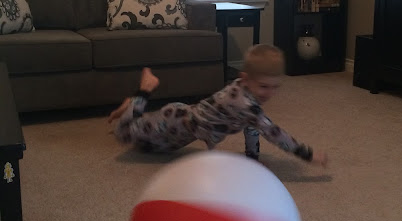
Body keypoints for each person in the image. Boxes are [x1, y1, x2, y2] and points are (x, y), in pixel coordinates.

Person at [108, 44, 327, 166]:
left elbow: (252, 127)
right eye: (263, 86)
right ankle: (144, 91)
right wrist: (306, 154)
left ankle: (133, 109)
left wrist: (252, 160)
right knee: (123, 135)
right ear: (245, 78)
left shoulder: (247, 97)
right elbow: (273, 132)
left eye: (275, 87)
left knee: (148, 148)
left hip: (185, 130)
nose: (269, 93)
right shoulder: (244, 104)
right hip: (176, 120)